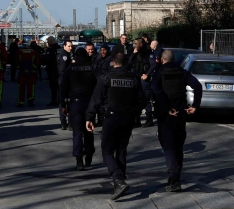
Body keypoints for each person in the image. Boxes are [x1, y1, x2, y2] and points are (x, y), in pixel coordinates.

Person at [85, 51, 144, 200]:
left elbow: (96, 99)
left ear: (113, 63)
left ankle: (118, 180)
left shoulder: (107, 78)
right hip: (127, 118)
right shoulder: (134, 79)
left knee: (107, 151)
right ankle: (121, 179)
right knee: (122, 150)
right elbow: (142, 100)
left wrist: (90, 117)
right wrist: (133, 112)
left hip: (111, 117)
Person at [150, 49, 203, 192]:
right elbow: (197, 86)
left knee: (168, 147)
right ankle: (176, 176)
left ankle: (174, 179)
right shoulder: (182, 72)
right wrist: (195, 106)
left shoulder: (158, 74)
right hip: (181, 114)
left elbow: (156, 91)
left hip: (166, 115)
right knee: (178, 146)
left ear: (162, 60)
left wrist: (167, 108)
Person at [60, 47, 97, 170]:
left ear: (75, 56)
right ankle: (89, 154)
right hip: (89, 103)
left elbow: (63, 88)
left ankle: (79, 160)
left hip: (75, 103)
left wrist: (63, 105)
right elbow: (99, 86)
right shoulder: (91, 68)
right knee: (89, 130)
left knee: (77, 132)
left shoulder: (70, 69)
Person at [130, 38, 154, 127]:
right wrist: (133, 53)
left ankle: (149, 119)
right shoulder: (135, 53)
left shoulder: (148, 53)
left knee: (146, 99)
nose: (134, 45)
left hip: (144, 80)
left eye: (136, 43)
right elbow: (129, 63)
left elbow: (153, 65)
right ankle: (137, 120)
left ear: (141, 44)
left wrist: (147, 74)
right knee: (136, 99)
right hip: (136, 78)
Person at [56, 40, 73, 129]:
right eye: (69, 46)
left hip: (63, 80)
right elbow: (63, 70)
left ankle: (64, 122)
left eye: (71, 46)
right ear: (64, 46)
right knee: (66, 101)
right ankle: (67, 122)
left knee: (63, 101)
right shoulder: (64, 55)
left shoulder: (65, 54)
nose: (71, 48)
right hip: (64, 80)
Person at [16, 42, 39, 107]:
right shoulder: (33, 52)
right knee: (31, 87)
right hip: (31, 72)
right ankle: (30, 101)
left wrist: (21, 68)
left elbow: (16, 61)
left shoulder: (19, 52)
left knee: (21, 87)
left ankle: (21, 102)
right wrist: (31, 68)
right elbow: (37, 62)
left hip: (21, 72)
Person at [44, 36, 62, 107]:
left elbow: (47, 60)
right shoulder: (59, 48)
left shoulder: (50, 49)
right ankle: (60, 100)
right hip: (59, 70)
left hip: (52, 70)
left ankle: (54, 101)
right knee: (59, 87)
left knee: (53, 87)